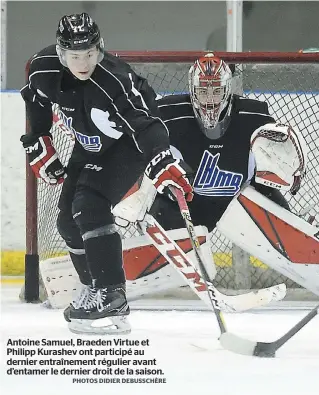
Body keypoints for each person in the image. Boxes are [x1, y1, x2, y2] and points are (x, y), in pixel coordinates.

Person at [20, 13, 193, 335]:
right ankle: (94, 289)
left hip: (129, 146)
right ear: (61, 54)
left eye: (89, 54)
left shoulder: (115, 79)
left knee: (90, 205)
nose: (82, 62)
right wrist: (39, 140)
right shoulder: (43, 69)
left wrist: (162, 157)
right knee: (68, 223)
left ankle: (113, 293)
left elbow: (147, 124)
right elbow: (36, 100)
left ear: (100, 49)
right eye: (74, 56)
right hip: (90, 145)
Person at [149, 53, 302, 280]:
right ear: (192, 90)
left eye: (216, 91)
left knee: (266, 194)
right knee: (157, 204)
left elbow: (279, 156)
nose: (210, 99)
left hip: (240, 201)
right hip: (189, 205)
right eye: (203, 91)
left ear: (228, 90)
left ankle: (300, 238)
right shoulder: (168, 116)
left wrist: (289, 173)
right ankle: (141, 266)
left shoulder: (254, 116)